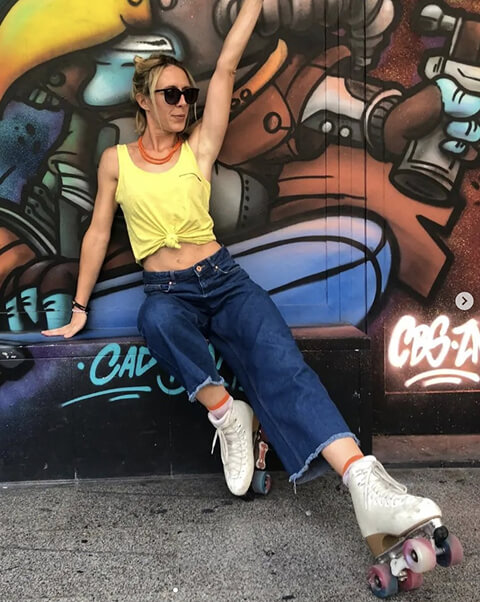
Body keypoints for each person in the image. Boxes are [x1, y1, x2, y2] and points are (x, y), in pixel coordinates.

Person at [42, 0, 449, 579]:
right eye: (170, 94)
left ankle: (365, 484)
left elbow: (229, 64)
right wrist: (79, 306)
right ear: (144, 100)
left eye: (187, 94)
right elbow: (98, 233)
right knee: (156, 320)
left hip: (225, 281)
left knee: (284, 367)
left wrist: (253, 5)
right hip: (168, 290)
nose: (182, 103)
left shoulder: (199, 149)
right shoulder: (116, 162)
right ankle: (229, 414)